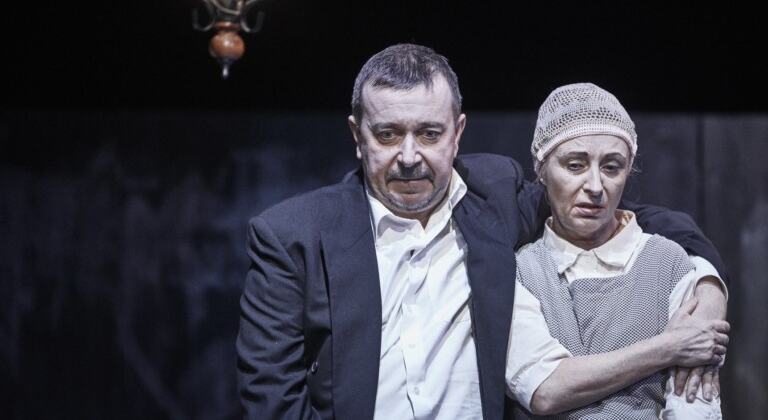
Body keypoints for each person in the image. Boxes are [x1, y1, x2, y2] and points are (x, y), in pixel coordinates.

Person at [236, 44, 729, 420]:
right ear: (357, 136)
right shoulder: (294, 235)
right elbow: (271, 397)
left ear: (457, 133)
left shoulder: (494, 196)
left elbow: (634, 216)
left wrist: (706, 293)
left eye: (429, 133)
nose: (409, 156)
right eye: (388, 134)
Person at [505, 83, 728, 418]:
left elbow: (694, 403)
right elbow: (541, 387)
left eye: (611, 167)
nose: (595, 186)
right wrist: (668, 347)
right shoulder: (521, 271)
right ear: (542, 170)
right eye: (575, 165)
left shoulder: (668, 262)